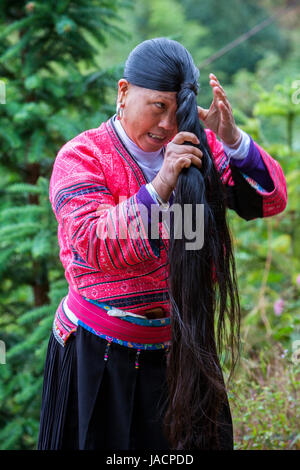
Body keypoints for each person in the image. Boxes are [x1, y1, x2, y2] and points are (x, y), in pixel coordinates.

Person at [38, 38, 287, 451]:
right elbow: (92, 243)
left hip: (182, 355)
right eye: (157, 107)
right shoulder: (82, 157)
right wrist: (158, 187)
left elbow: (270, 199)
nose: (168, 125)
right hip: (99, 357)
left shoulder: (197, 156)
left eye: (177, 110)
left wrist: (233, 140)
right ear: (123, 92)